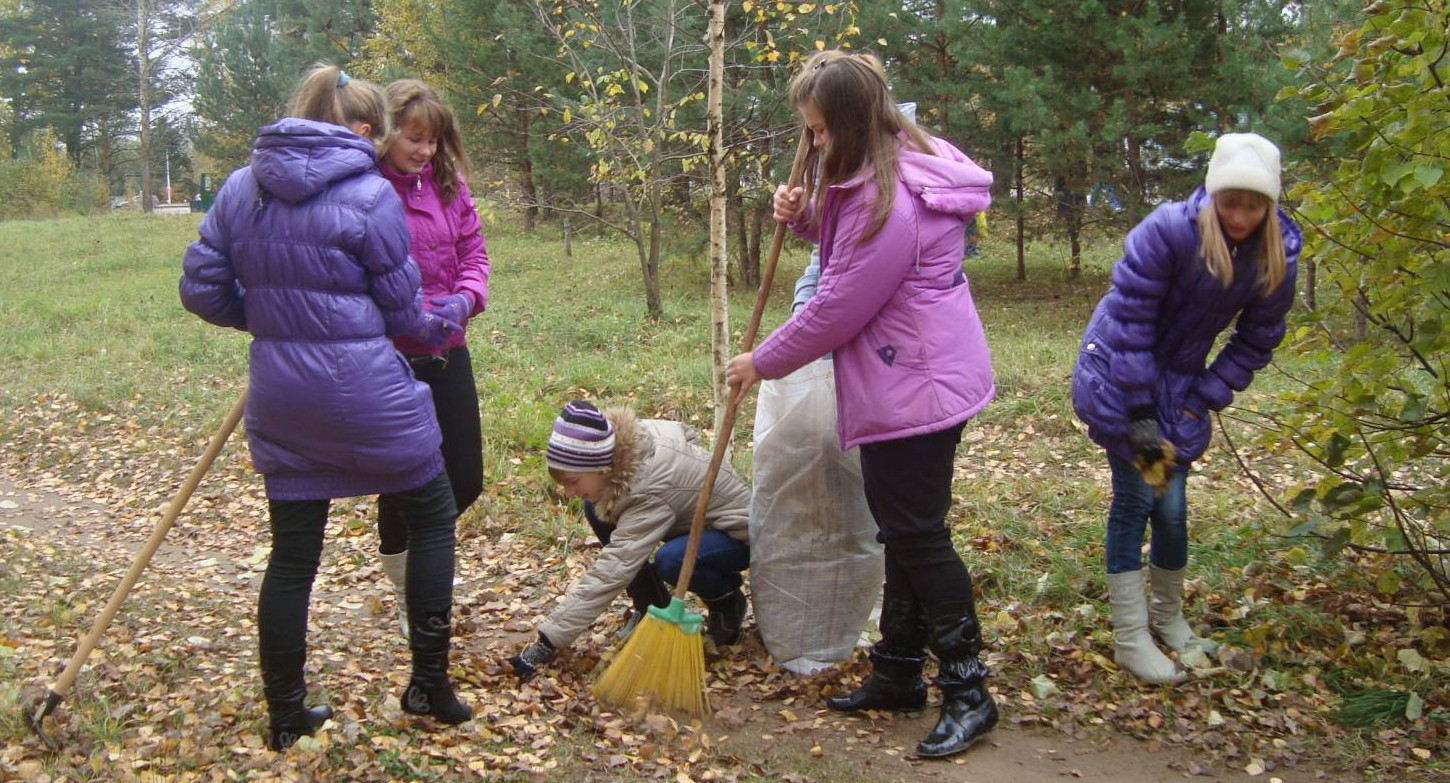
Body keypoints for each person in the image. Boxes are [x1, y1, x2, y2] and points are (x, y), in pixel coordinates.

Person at [179, 64, 473, 750]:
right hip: (367, 390)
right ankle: (428, 683)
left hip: (283, 396)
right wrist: (451, 310)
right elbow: (403, 311)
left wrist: (273, 319)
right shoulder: (372, 196)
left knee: (292, 557)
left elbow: (200, 290)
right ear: (364, 130)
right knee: (433, 511)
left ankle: (286, 711)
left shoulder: (239, 188)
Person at [725, 50, 997, 759]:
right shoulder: (875, 174)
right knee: (904, 528)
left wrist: (760, 362)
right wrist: (809, 217)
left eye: (818, 130)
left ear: (849, 122)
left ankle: (968, 687)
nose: (812, 142)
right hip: (904, 376)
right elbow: (850, 253)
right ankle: (900, 670)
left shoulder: (893, 198)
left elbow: (840, 304)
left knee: (919, 535)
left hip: (918, 385)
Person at [1070, 132, 1300, 684]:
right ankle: (1130, 639)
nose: (1240, 215)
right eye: (1230, 201)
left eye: (1252, 204)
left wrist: (1203, 397)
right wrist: (1143, 417)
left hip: (1179, 390)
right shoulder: (1169, 230)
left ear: (1269, 205)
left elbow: (1257, 339)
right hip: (1120, 376)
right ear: (1212, 193)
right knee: (1138, 501)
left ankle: (1168, 620)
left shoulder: (1277, 254)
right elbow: (1130, 327)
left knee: (1171, 509)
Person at [507, 401, 752, 677]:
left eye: (573, 481)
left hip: (736, 534)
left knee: (671, 560)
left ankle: (727, 602)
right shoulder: (624, 443)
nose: (568, 492)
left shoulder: (649, 486)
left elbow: (613, 569)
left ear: (600, 466)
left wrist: (548, 641)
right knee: (598, 507)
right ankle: (650, 603)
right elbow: (683, 432)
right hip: (689, 521)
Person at [374, 78, 491, 640]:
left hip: (448, 349)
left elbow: (474, 252)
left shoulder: (450, 184)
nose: (424, 150)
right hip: (390, 357)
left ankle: (422, 568)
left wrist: (466, 298)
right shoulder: (366, 189)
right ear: (386, 130)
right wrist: (410, 313)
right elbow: (363, 270)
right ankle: (412, 589)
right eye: (414, 138)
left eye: (433, 140)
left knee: (464, 477)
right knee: (405, 477)